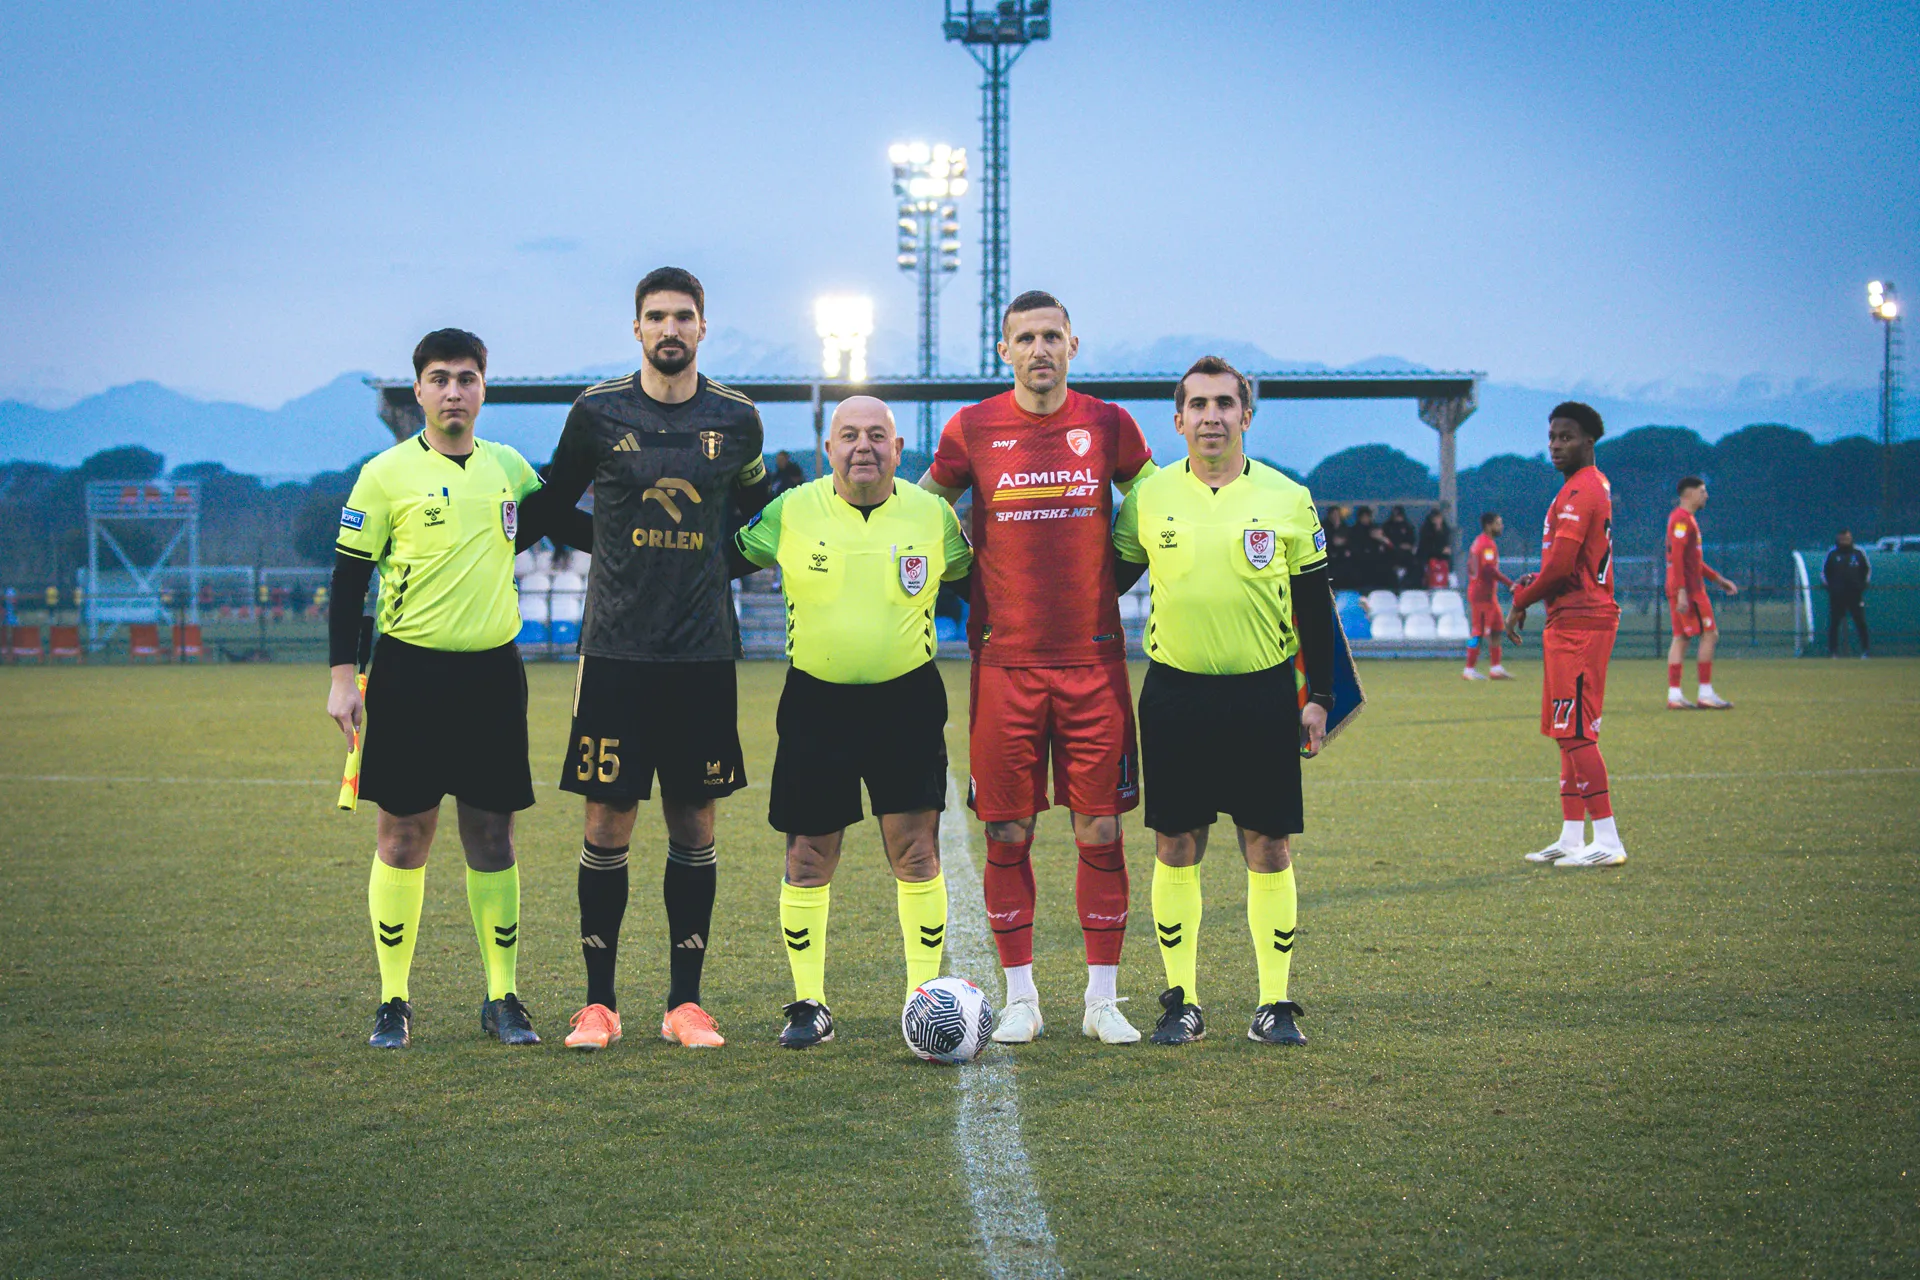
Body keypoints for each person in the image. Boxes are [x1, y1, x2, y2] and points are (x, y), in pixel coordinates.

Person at [537, 267, 773, 1052]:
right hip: (616, 651)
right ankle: (598, 1005)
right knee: (607, 821)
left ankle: (685, 1004)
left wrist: (711, 565)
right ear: (636, 327)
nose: (670, 329)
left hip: (702, 654)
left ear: (704, 326)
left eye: (683, 316)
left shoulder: (737, 419)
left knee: (694, 821)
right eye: (656, 316)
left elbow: (759, 519)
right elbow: (550, 507)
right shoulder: (596, 413)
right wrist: (611, 547)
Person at [327, 328, 581, 1049]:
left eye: (466, 378)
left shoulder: (507, 467)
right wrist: (343, 677)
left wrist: (653, 537)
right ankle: (393, 1001)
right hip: (409, 674)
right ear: (418, 390)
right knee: (403, 834)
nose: (453, 391)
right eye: (439, 378)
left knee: (493, 835)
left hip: (492, 675)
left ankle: (502, 997)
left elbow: (561, 520)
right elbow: (348, 577)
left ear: (483, 388)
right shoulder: (383, 475)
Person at [920, 290, 1156, 1046]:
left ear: (1073, 345)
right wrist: (967, 575)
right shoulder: (972, 427)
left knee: (1100, 828)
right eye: (1025, 338)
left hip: (1093, 661)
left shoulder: (1109, 424)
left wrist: (1112, 575)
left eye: (1052, 336)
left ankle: (1101, 1001)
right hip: (1005, 663)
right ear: (1004, 351)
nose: (1040, 349)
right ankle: (1020, 998)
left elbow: (1157, 508)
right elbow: (923, 509)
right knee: (1007, 830)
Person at [732, 397, 973, 1048]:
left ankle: (922, 1000)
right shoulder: (790, 511)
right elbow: (722, 557)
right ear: (829, 449)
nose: (862, 446)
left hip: (908, 701)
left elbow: (975, 579)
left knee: (916, 851)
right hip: (817, 702)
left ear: (898, 449)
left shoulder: (933, 516)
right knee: (808, 854)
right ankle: (808, 1003)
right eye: (848, 435)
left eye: (875, 435)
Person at [1112, 356, 1335, 1047]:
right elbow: (1104, 582)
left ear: (1247, 416)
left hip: (1263, 693)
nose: (1212, 417)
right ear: (1178, 420)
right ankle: (1181, 1001)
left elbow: (1315, 607)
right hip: (1175, 692)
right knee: (1176, 843)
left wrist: (1320, 697)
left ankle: (1275, 1004)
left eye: (1225, 404)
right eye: (1199, 405)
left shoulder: (1288, 497)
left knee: (1268, 844)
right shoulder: (1148, 498)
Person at [1506, 402, 1627, 869]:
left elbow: (1560, 568)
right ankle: (1573, 836)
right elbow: (1562, 566)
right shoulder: (1581, 487)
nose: (1556, 445)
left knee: (1576, 731)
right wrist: (1536, 586)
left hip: (1582, 622)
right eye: (1553, 437)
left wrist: (1522, 598)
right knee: (1565, 730)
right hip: (1569, 618)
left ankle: (1608, 839)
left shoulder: (1583, 489)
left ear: (1588, 442)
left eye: (1566, 437)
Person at [1664, 477, 1739, 709]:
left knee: (1681, 637)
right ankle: (1705, 693)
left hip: (1683, 586)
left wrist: (1719, 580)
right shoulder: (1682, 520)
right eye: (1703, 491)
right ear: (1689, 494)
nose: (1706, 496)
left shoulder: (1685, 519)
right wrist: (1682, 592)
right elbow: (1677, 558)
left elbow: (1693, 561)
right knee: (1710, 634)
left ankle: (1675, 696)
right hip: (1690, 589)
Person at [1463, 513, 1513, 680]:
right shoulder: (1486, 544)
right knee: (1477, 633)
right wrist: (1509, 583)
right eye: (1498, 524)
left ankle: (1496, 668)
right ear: (1488, 525)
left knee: (1497, 629)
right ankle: (1469, 669)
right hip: (1481, 596)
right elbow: (1488, 570)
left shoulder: (1482, 542)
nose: (1501, 527)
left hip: (1489, 596)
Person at [1823, 531, 1872, 657]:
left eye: (1847, 539)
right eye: (1842, 539)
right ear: (1838, 539)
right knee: (1834, 623)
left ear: (1851, 539)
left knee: (1860, 622)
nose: (1844, 541)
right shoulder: (1832, 554)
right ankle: (1833, 652)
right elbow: (1824, 572)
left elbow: (1867, 570)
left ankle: (1866, 650)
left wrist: (1862, 586)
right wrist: (1831, 588)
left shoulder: (1858, 553)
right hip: (1837, 596)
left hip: (1855, 595)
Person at [1417, 507, 1454, 589]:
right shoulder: (1426, 530)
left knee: (1449, 562)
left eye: (1439, 518)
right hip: (1429, 556)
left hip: (1443, 557)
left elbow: (1447, 543)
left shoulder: (1445, 529)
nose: (1438, 520)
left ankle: (1450, 582)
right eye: (1436, 519)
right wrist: (1440, 550)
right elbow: (1426, 547)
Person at [1383, 504, 1418, 588]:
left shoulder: (1408, 526)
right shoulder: (1387, 526)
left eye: (1399, 515)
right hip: (1391, 554)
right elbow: (1387, 541)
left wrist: (1407, 546)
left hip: (1406, 555)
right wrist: (1397, 545)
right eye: (1395, 516)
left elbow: (1411, 542)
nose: (1397, 518)